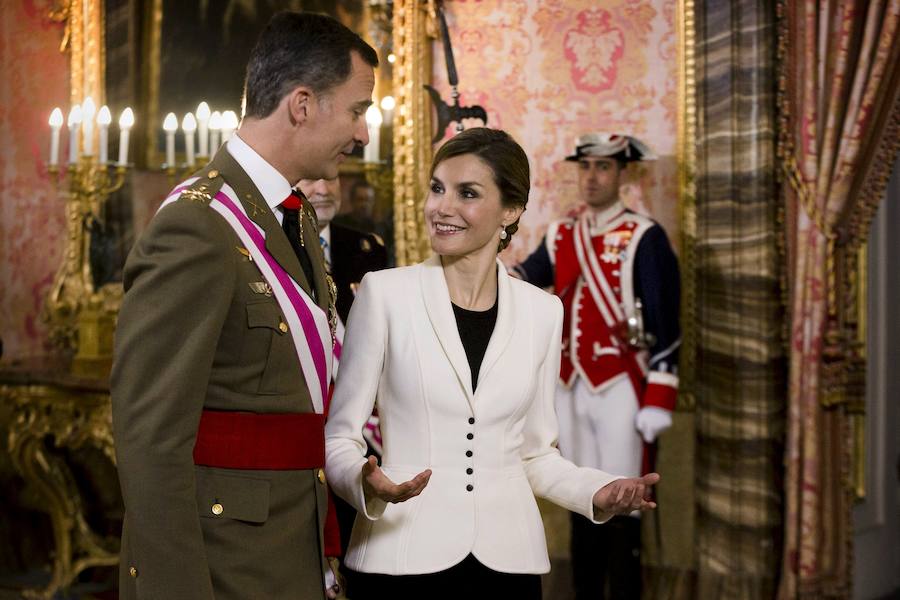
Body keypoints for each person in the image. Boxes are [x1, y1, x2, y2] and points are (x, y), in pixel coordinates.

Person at [324, 127, 660, 600]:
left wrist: (597, 492)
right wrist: (366, 482)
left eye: (467, 193)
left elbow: (536, 455)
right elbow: (339, 437)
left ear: (511, 210)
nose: (441, 206)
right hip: (400, 557)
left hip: (509, 564)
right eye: (437, 188)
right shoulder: (385, 294)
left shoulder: (543, 312)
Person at [110, 12, 377, 600]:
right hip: (225, 563)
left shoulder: (294, 216)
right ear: (302, 104)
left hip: (289, 542)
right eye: (357, 110)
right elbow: (150, 439)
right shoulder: (196, 228)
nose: (362, 133)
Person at [511, 132, 681, 600]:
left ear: (622, 173)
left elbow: (667, 320)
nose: (591, 177)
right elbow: (526, 278)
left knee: (625, 502)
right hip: (568, 385)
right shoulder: (563, 231)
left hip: (622, 386)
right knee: (580, 496)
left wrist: (658, 398)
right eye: (585, 167)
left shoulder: (643, 236)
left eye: (603, 167)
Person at [298, 176, 388, 553]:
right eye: (311, 179)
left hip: (361, 423)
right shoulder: (273, 246)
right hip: (307, 413)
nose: (324, 189)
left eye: (331, 178)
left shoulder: (367, 247)